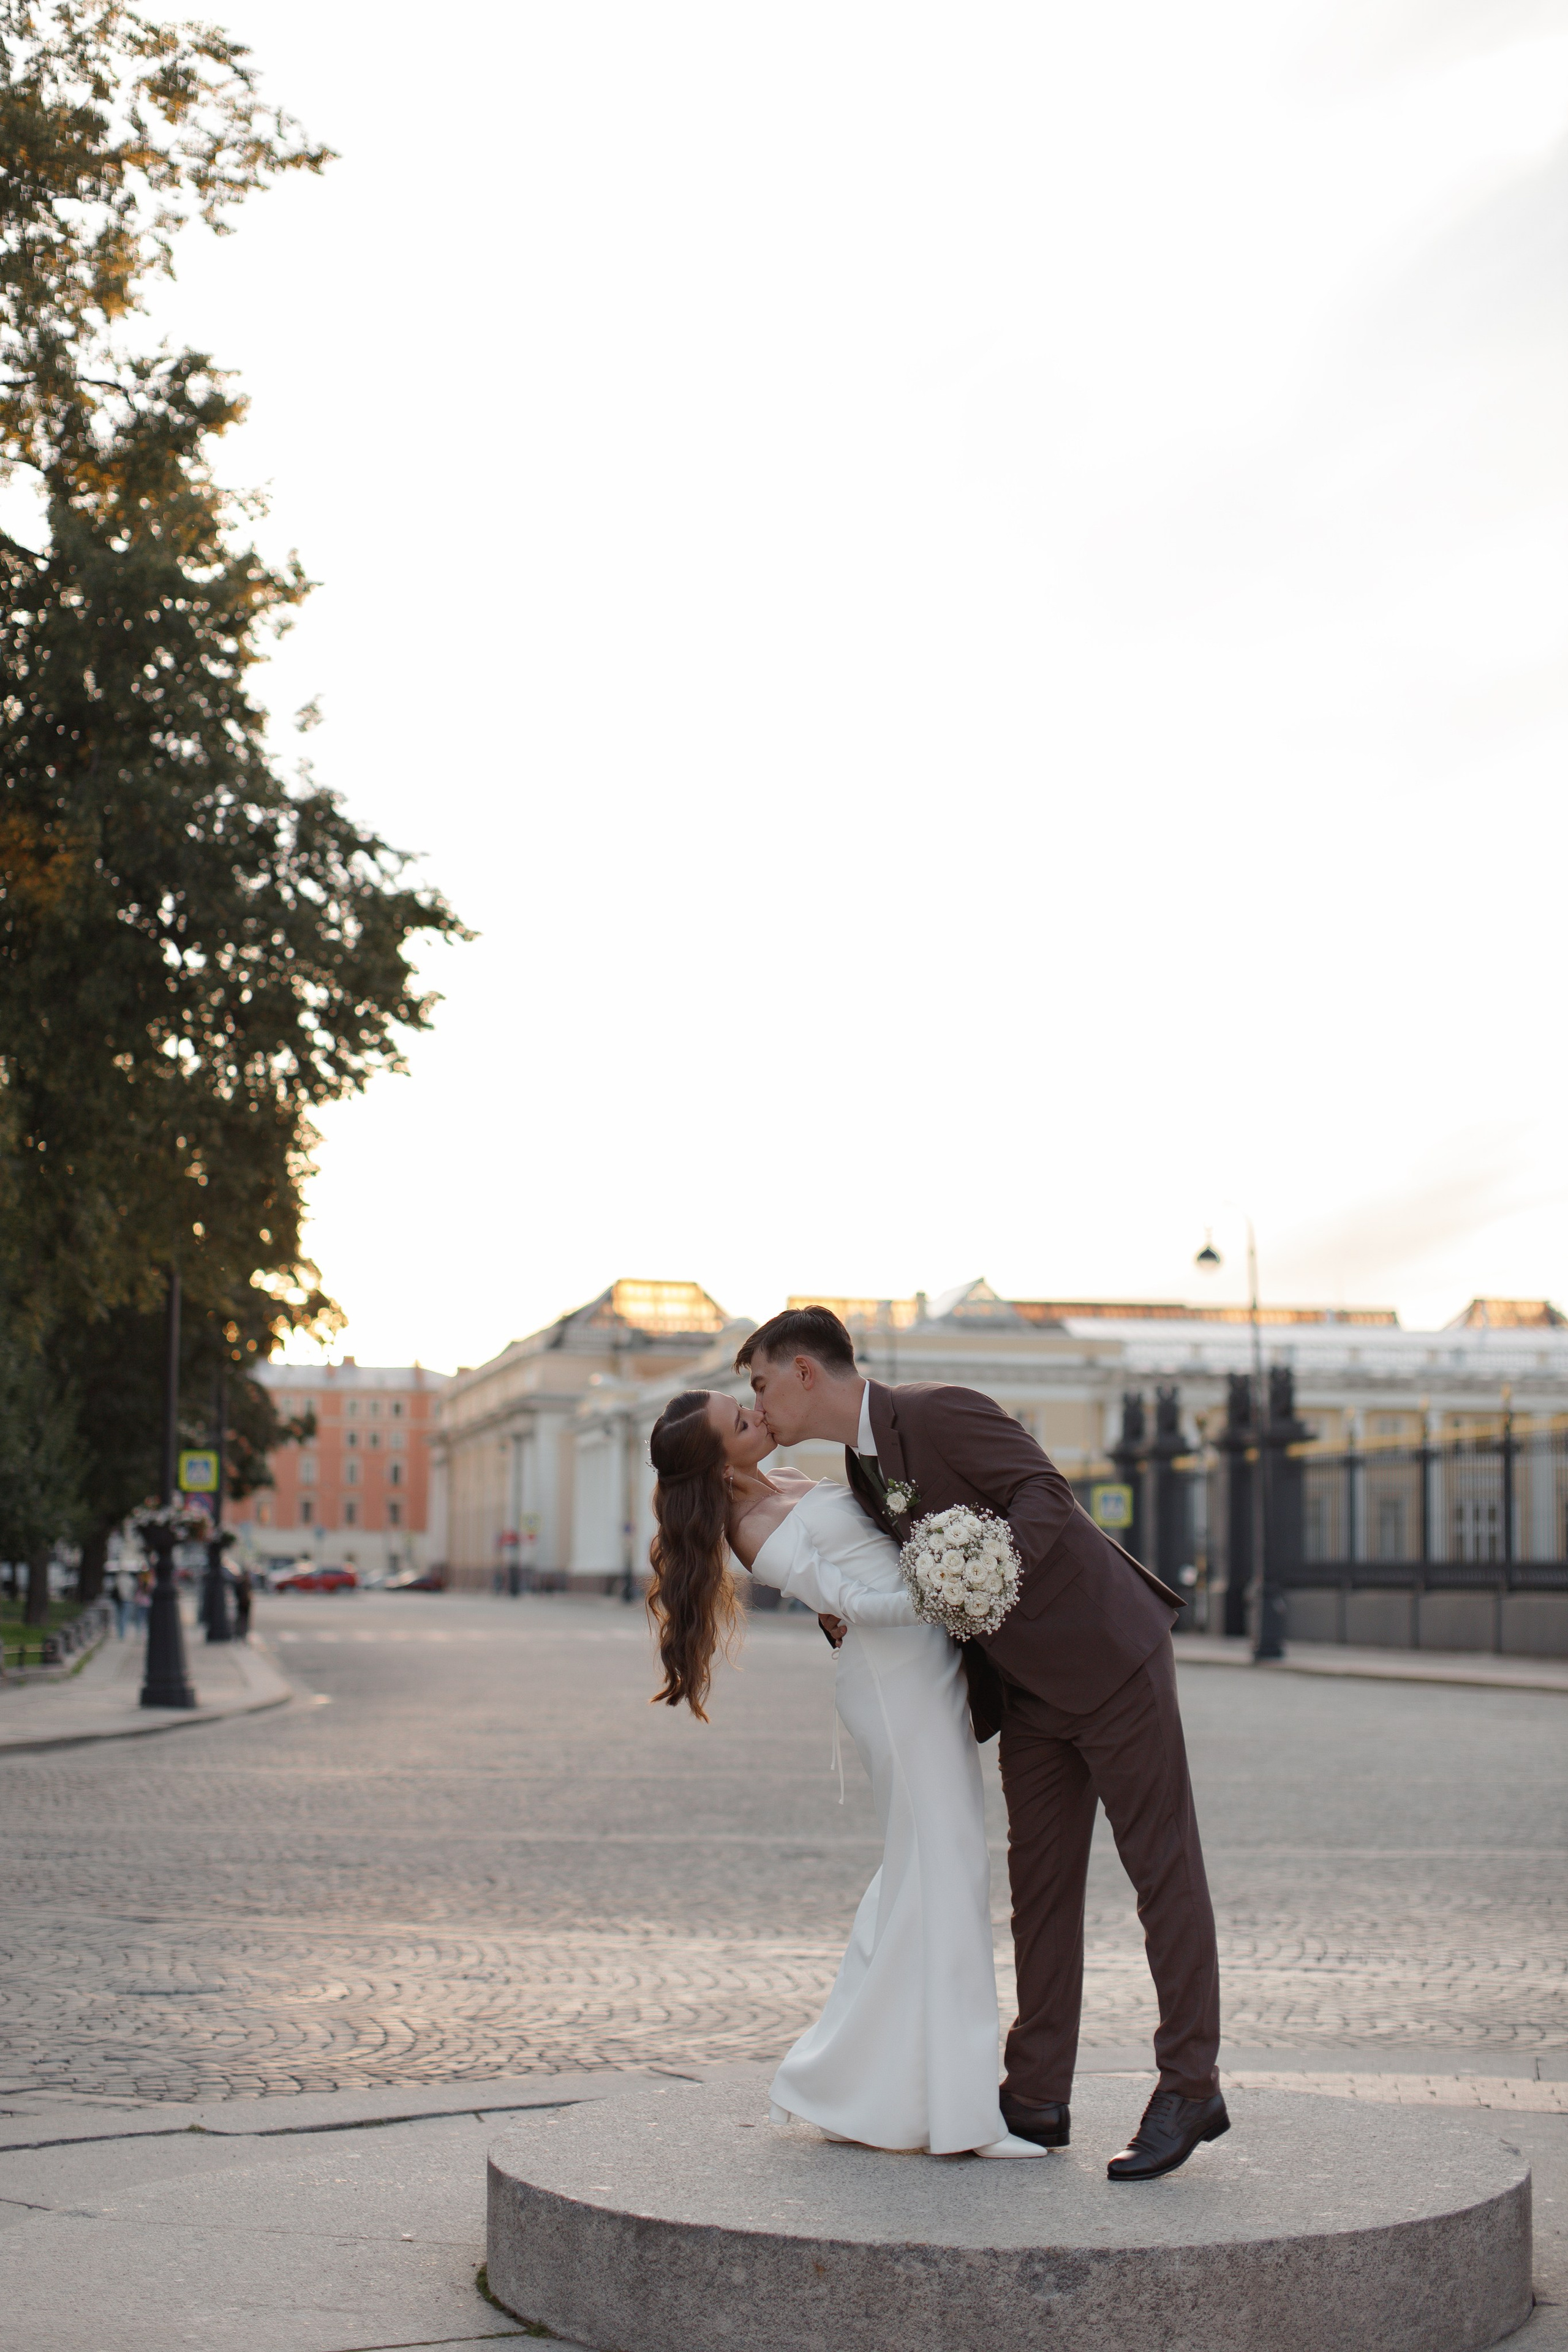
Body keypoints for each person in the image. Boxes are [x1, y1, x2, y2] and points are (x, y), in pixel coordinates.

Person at [739, 1306, 1227, 2186]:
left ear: (806, 1372)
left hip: (1110, 1659)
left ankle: (1190, 2087)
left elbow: (1046, 1495)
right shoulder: (858, 1468)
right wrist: (842, 1614)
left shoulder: (936, 1410)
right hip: (1027, 1692)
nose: (758, 1403)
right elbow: (896, 1576)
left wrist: (990, 1563)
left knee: (1161, 1871)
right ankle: (1037, 2094)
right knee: (1039, 1892)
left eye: (761, 1383)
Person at [646, 1388, 1044, 2161]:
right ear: (715, 1460)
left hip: (927, 1679)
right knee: (944, 1875)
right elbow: (855, 1603)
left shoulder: (791, 1480)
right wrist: (951, 1587)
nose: (757, 1416)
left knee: (927, 1878)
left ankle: (858, 2083)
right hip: (894, 1691)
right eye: (740, 1421)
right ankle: (960, 2116)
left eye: (747, 1406)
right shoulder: (754, 1528)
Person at [232, 1566, 252, 1642]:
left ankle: (242, 1634)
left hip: (245, 1604)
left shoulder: (245, 1583)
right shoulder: (242, 1583)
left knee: (243, 1619)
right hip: (243, 1603)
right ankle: (240, 1634)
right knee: (241, 1619)